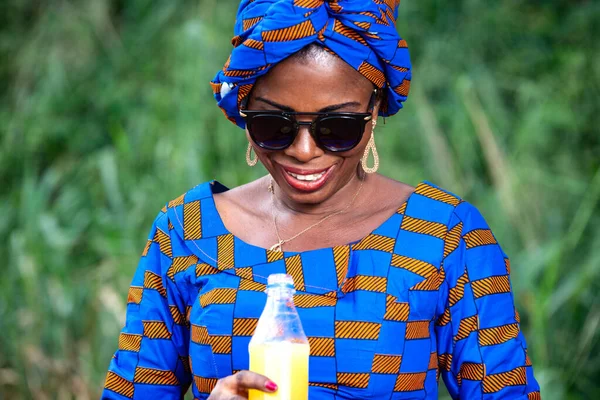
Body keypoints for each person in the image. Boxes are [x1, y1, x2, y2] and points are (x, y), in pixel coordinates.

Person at [102, 0, 541, 399]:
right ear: (244, 112)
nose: (305, 150)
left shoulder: (445, 236)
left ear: (374, 112)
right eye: (274, 124)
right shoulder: (187, 232)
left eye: (338, 127)